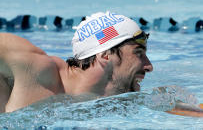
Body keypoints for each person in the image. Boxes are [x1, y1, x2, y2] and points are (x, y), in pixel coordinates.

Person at [0, 12, 202, 117]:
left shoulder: (116, 100)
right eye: (139, 53)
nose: (149, 66)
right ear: (106, 55)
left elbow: (178, 108)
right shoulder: (34, 67)